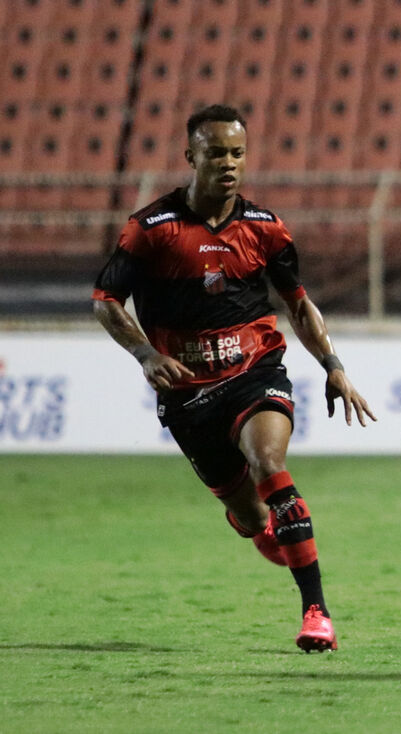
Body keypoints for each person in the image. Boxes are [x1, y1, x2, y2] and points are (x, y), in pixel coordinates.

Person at [92, 104, 375, 652]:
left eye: (237, 153)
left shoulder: (264, 229)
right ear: (190, 156)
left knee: (270, 464)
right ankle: (255, 525)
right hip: (187, 393)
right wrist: (146, 353)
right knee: (251, 517)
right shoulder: (153, 229)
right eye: (216, 152)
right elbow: (106, 301)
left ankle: (316, 612)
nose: (228, 163)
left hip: (255, 371)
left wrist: (334, 366)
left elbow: (299, 305)